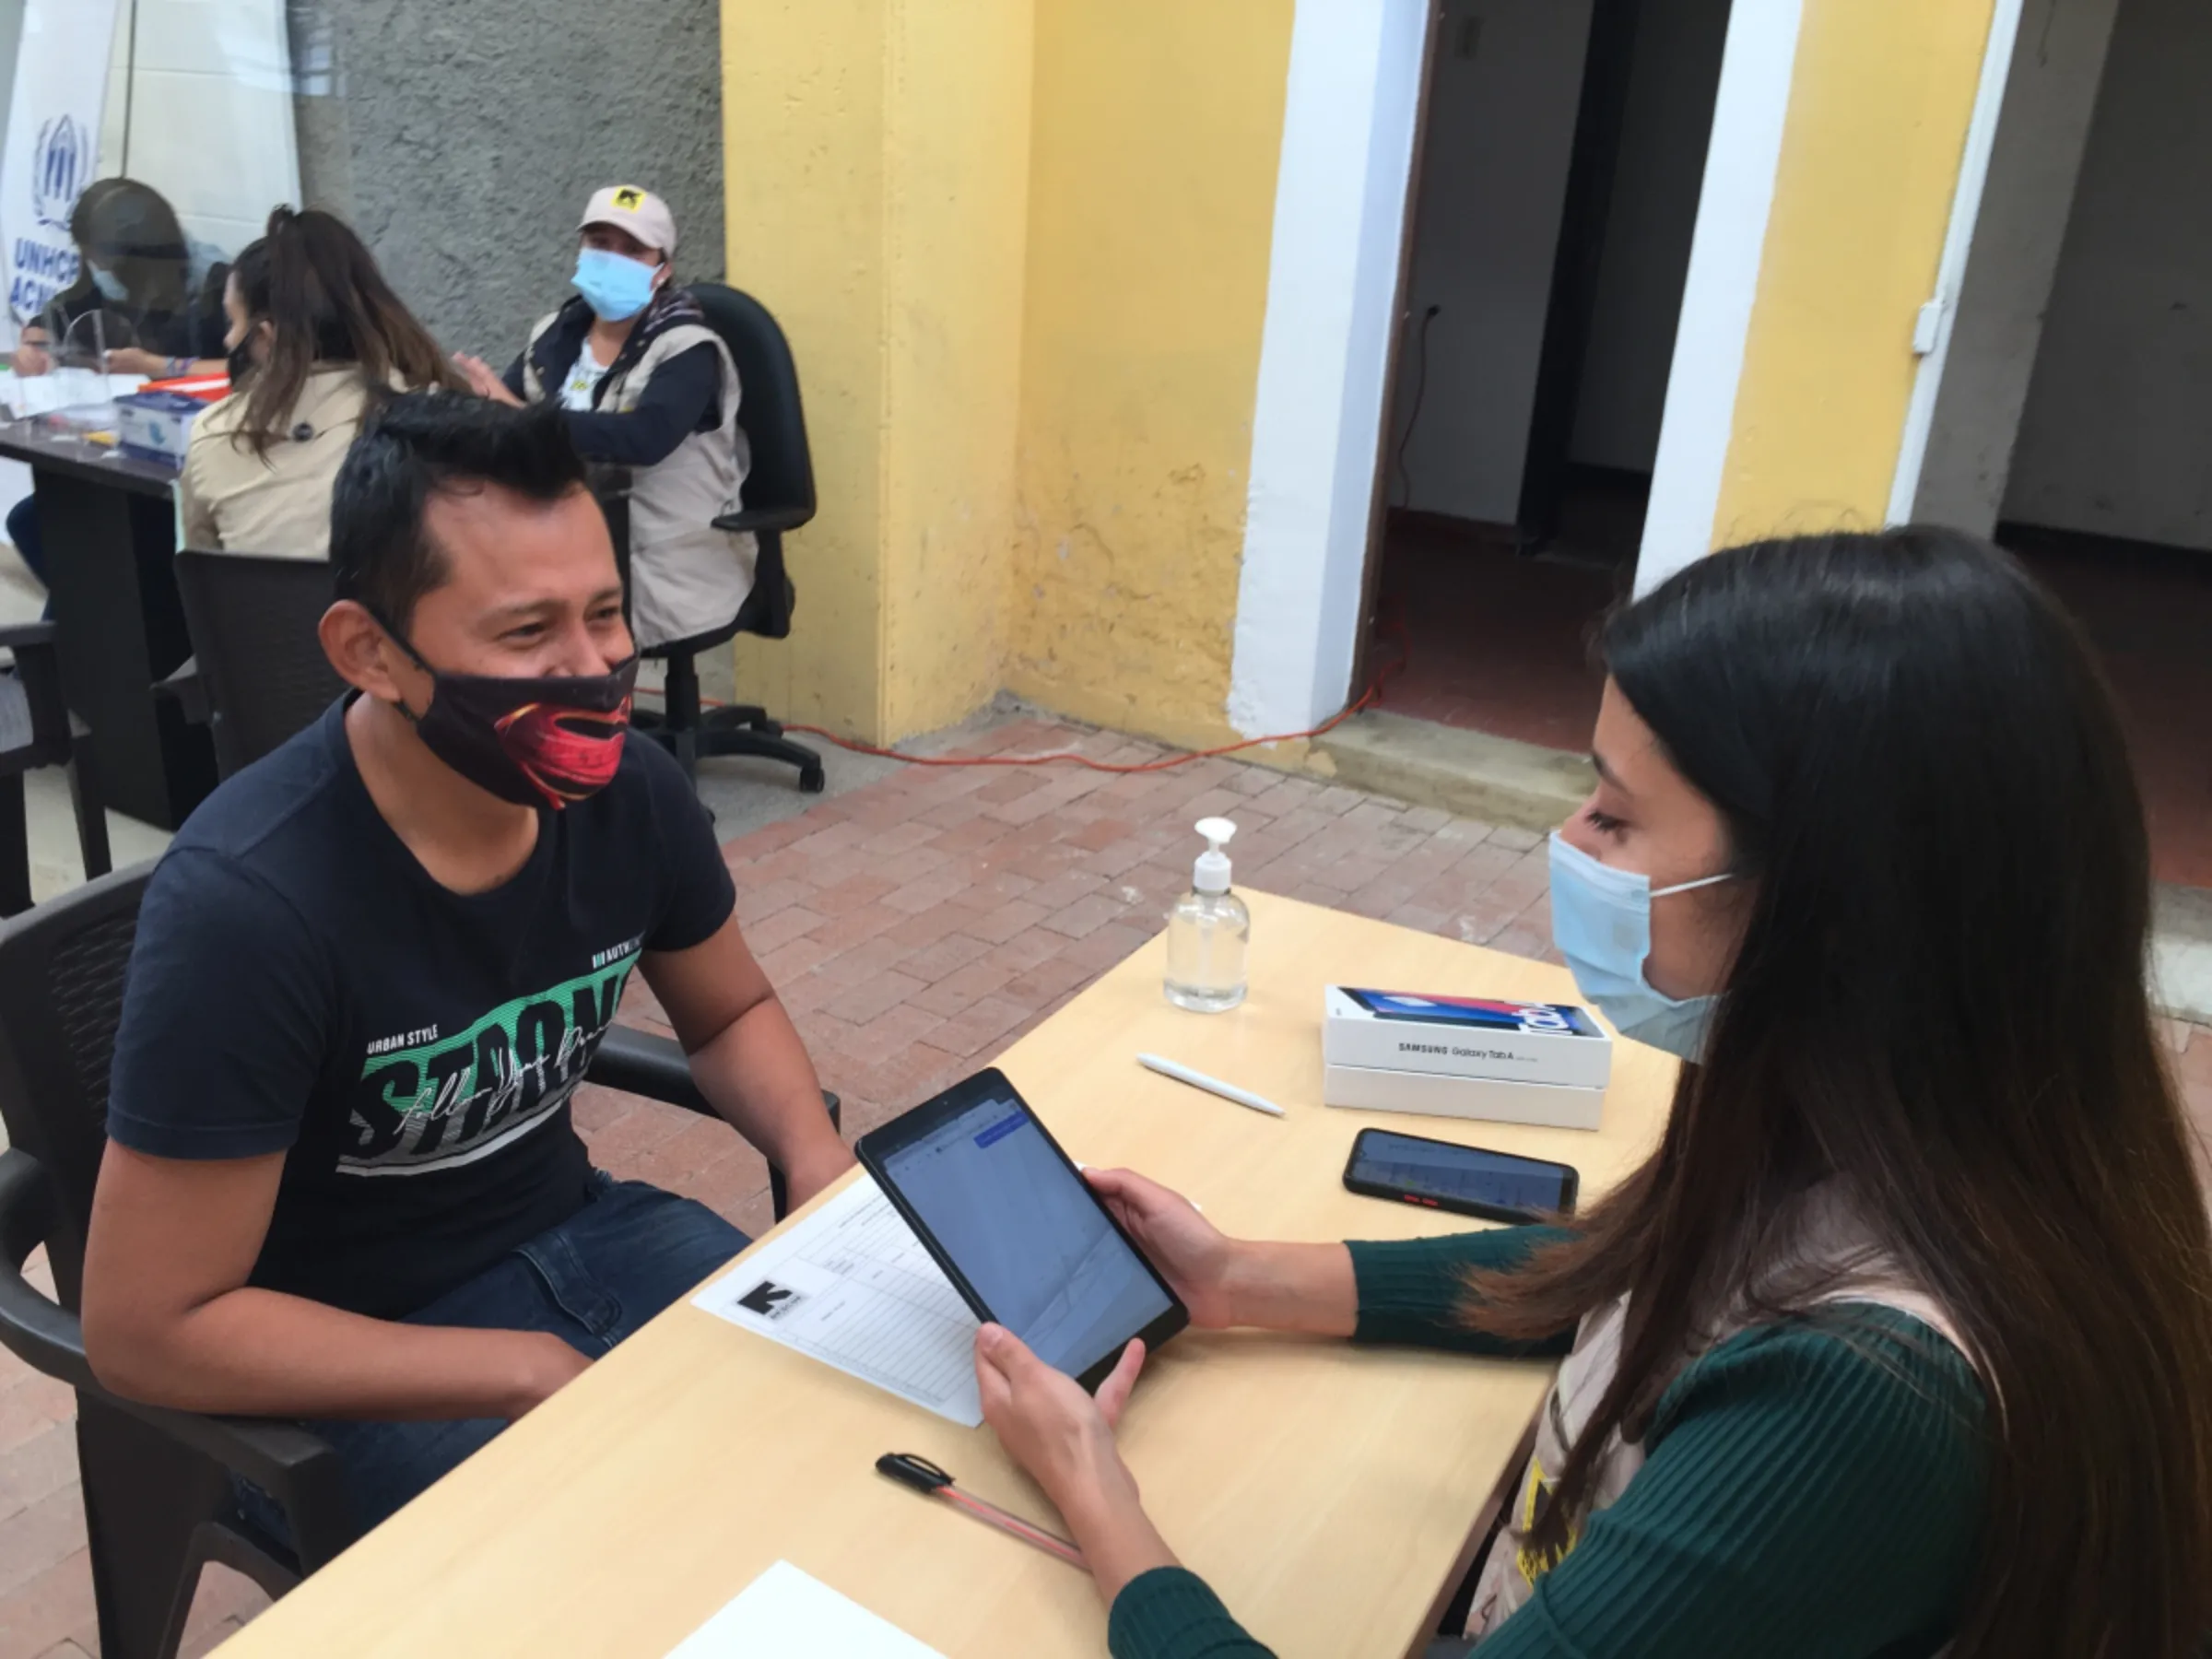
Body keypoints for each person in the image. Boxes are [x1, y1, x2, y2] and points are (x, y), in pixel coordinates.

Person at [971, 529, 2212, 1658]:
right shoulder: (1922, 1135)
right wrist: (1239, 1277)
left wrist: (1099, 1502)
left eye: (1617, 816)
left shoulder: (1863, 1403)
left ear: (1829, 907)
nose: (1569, 842)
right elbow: (1625, 1270)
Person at [79, 394, 855, 1532]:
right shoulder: (250, 906)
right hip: (325, 1362)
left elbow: (729, 1012)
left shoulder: (628, 795)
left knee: (849, 1431)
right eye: (527, 633)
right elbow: (148, 1330)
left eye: (605, 614)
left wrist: (813, 1151)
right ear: (370, 653)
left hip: (582, 1236)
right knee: (631, 1566)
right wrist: (513, 1367)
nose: (594, 670)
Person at [452, 185, 754, 652]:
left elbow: (643, 439)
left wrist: (524, 418)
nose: (613, 259)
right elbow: (504, 409)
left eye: (633, 249)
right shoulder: (557, 334)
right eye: (599, 243)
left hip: (662, 562)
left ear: (663, 270)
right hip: (568, 546)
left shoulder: (689, 347)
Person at [180, 206, 461, 557]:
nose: (227, 340)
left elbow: (204, 575)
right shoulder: (439, 417)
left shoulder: (214, 434)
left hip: (269, 613)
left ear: (265, 337)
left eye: (232, 322)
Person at [6, 178, 231, 594]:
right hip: (126, 451)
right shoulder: (103, 279)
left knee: (94, 546)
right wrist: (35, 343)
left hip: (191, 462)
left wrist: (159, 366)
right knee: (33, 522)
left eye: (101, 261)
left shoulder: (216, 283)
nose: (96, 271)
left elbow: (250, 369)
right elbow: (60, 314)